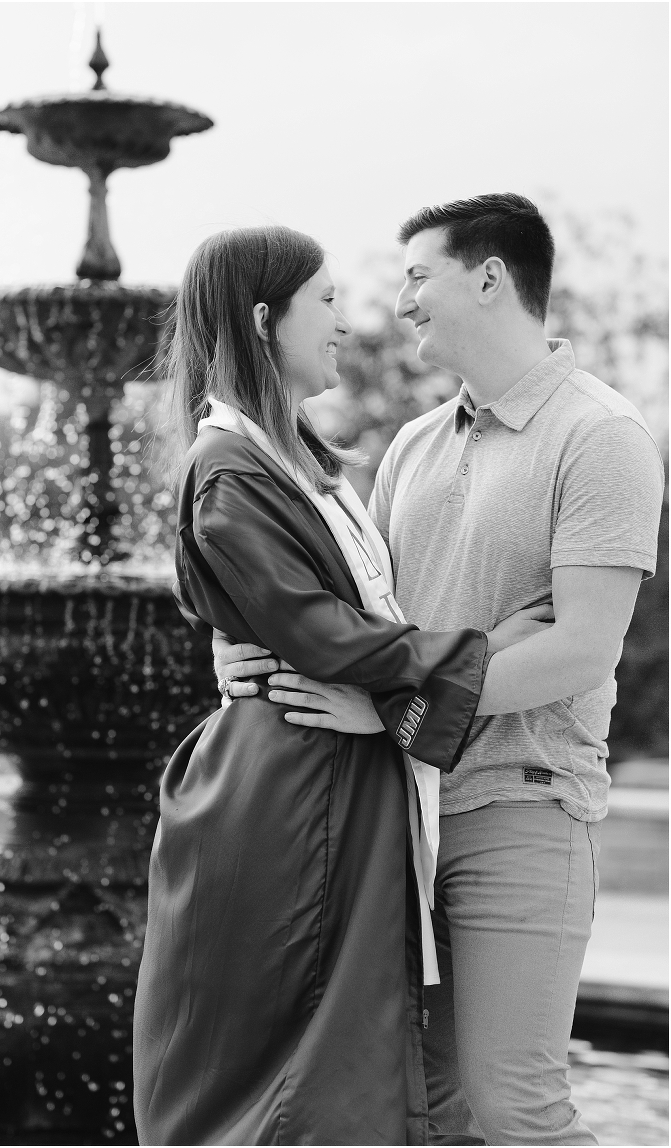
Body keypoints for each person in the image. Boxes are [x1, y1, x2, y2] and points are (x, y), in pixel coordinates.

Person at [217, 195, 665, 1146]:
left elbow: (582, 647)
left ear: (490, 276)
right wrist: (242, 646)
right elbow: (364, 628)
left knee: (517, 1106)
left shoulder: (603, 437)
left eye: (419, 274)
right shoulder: (414, 445)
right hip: (400, 818)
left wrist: (386, 715)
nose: (403, 300)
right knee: (421, 1109)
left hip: (523, 808)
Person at [132, 225, 556, 1147]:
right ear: (261, 318)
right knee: (302, 1080)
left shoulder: (292, 456)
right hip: (290, 794)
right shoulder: (229, 467)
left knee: (352, 1067)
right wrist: (480, 653)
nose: (345, 322)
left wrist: (419, 680)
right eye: (324, 301)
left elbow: (343, 621)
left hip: (329, 776)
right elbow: (315, 632)